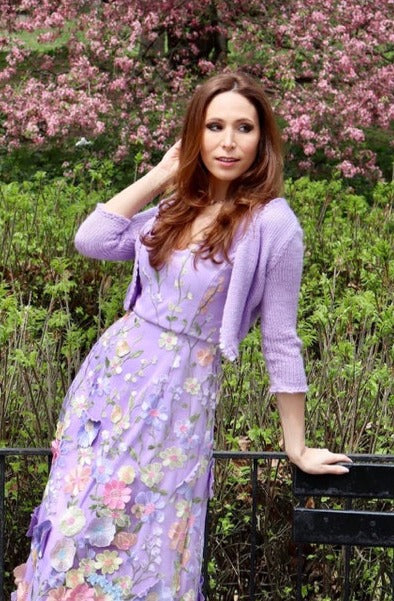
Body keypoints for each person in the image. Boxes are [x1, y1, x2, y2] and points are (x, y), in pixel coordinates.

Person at [13, 72, 351, 601]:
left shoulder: (274, 225)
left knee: (149, 540)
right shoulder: (178, 206)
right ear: (195, 133)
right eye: (214, 126)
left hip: (178, 401)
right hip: (106, 393)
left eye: (244, 127)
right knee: (74, 526)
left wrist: (297, 445)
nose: (228, 141)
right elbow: (92, 238)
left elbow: (281, 339)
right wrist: (161, 174)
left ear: (263, 139)